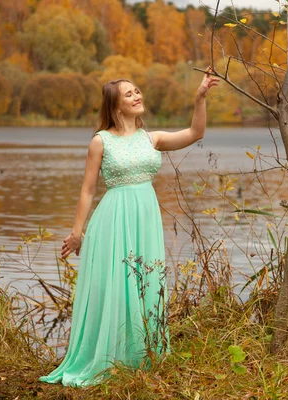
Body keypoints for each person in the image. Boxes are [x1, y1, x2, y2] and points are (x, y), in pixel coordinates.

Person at [39, 68, 219, 387]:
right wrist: (77, 232)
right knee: (115, 285)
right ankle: (108, 357)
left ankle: (140, 356)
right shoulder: (101, 141)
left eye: (137, 91)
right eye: (128, 94)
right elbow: (87, 189)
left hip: (145, 217)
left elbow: (195, 133)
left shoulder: (153, 139)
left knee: (145, 282)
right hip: (113, 218)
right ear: (115, 106)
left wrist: (199, 99)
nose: (137, 96)